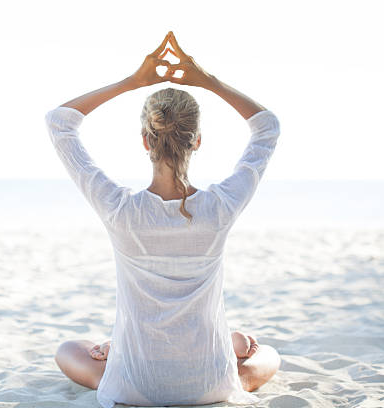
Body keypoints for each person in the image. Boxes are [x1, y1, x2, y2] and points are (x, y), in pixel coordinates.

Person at [44, 31, 281, 407]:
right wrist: (207, 80)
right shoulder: (220, 208)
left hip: (136, 388)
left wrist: (132, 82)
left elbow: (60, 122)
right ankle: (225, 342)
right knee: (268, 355)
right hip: (208, 386)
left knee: (69, 349)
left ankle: (126, 345)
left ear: (145, 140)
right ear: (197, 141)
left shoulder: (120, 210)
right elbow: (267, 125)